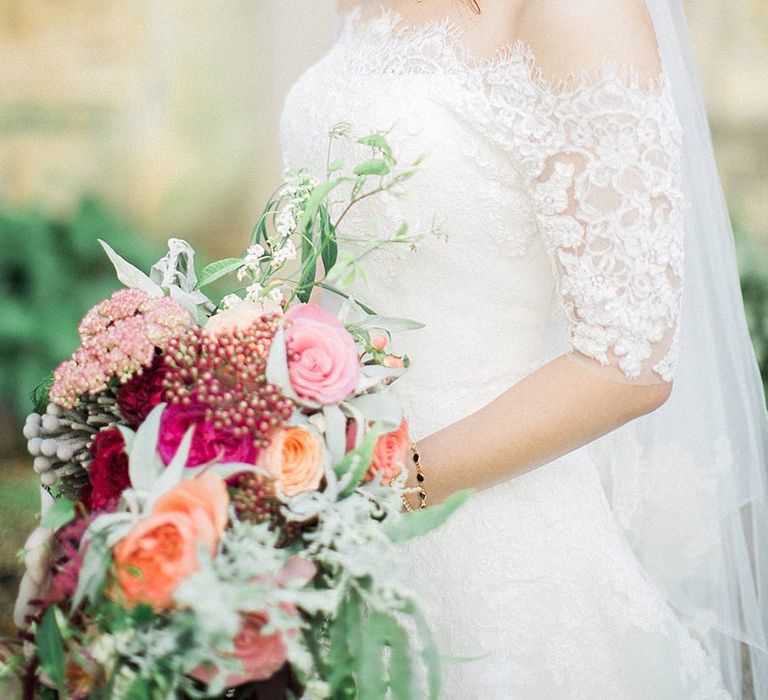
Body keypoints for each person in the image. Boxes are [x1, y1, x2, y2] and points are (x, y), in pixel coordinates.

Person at [278, 0, 768, 697]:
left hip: (488, 533)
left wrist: (377, 489)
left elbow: (629, 365)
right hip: (311, 510)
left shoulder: (578, 15)